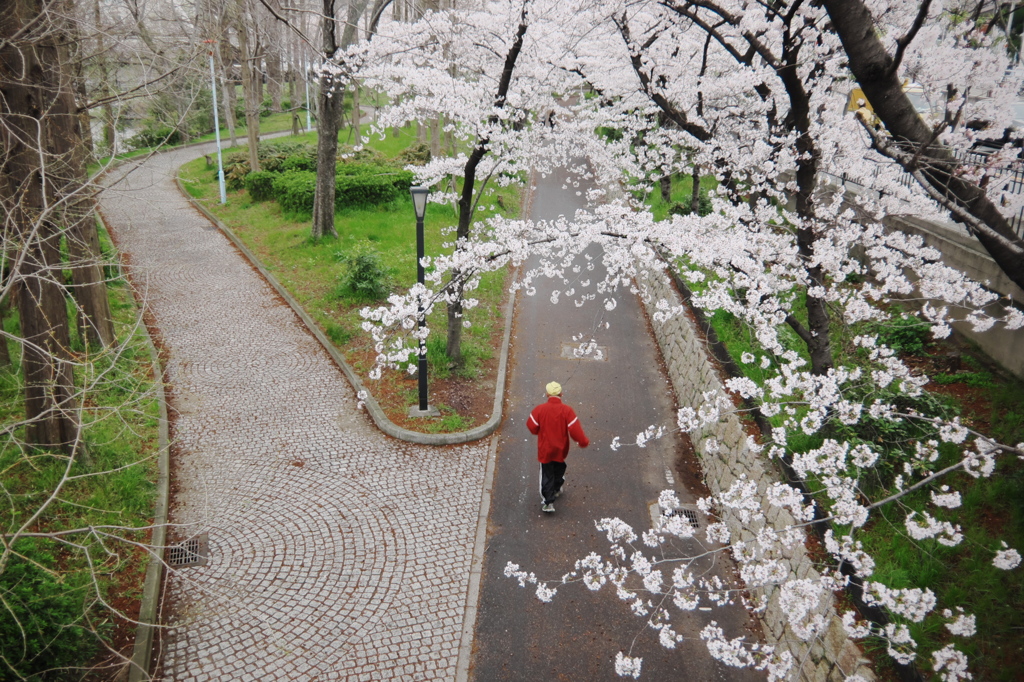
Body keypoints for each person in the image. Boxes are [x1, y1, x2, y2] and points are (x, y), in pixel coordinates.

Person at [527, 381, 589, 513]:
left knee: (546, 474)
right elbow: (575, 430)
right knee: (560, 467)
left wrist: (539, 431)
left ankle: (548, 502)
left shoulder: (539, 410)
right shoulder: (567, 411)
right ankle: (556, 487)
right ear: (561, 394)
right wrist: (582, 441)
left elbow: (532, 426)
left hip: (545, 449)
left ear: (547, 394)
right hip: (561, 449)